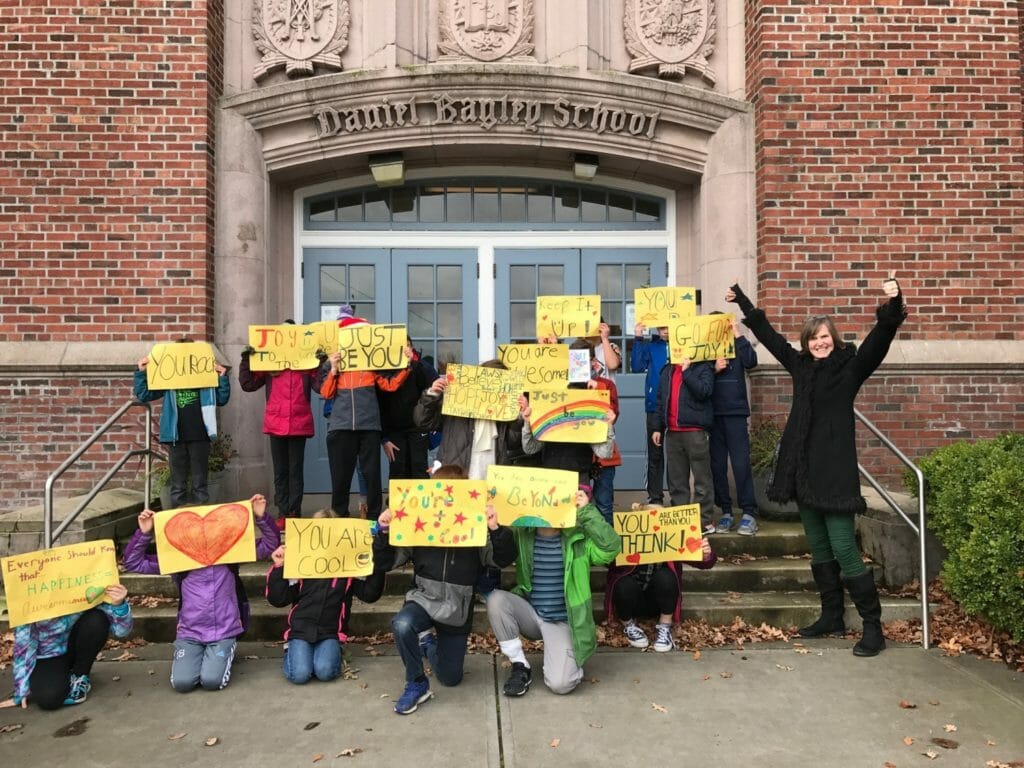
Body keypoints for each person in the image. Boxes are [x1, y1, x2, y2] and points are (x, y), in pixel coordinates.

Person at [725, 276, 906, 657]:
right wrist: (743, 302)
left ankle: (873, 628)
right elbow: (772, 338)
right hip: (802, 471)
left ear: (834, 339)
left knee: (843, 546)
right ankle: (832, 616)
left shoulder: (850, 367)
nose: (820, 342)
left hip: (834, 473)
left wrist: (892, 306)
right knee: (820, 547)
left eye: (825, 336)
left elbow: (879, 340)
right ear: (807, 343)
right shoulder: (800, 366)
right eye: (813, 338)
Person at [374, 465, 516, 714]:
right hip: (423, 598)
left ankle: (427, 643)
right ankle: (416, 683)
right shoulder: (418, 524)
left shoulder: (476, 528)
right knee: (402, 624)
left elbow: (502, 559)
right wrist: (384, 532)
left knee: (451, 678)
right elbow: (386, 563)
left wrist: (495, 528)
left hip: (456, 610)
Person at [123, 494, 281, 690]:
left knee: (212, 681)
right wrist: (144, 532)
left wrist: (260, 516)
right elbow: (134, 562)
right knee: (182, 683)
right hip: (190, 632)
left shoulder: (228, 554)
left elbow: (269, 544)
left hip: (224, 629)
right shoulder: (178, 561)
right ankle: (202, 656)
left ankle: (218, 654)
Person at [487, 485, 621, 697]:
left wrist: (586, 512)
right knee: (496, 599)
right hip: (531, 614)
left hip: (562, 621)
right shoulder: (523, 534)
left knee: (561, 685)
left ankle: (566, 660)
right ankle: (520, 666)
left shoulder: (578, 539)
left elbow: (611, 548)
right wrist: (495, 528)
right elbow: (503, 557)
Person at [264, 509, 387, 684]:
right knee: (299, 675)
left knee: (325, 671)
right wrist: (279, 567)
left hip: (330, 632)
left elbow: (370, 594)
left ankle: (334, 651)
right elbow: (278, 599)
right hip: (300, 630)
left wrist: (375, 565)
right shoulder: (300, 561)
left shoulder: (348, 566)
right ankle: (293, 650)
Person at [317, 304, 414, 518]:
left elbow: (390, 385)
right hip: (341, 427)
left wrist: (406, 366)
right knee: (340, 478)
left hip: (369, 427)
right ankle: (339, 517)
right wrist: (333, 370)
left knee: (371, 476)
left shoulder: (372, 365)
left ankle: (373, 519)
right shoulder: (334, 364)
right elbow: (325, 393)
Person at [2, 585, 133, 710]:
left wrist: (119, 604)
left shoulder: (91, 583)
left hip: (78, 644)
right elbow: (24, 641)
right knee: (49, 699)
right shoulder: (33, 590)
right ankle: (63, 676)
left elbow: (122, 631)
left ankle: (80, 675)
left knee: (97, 620)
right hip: (49, 653)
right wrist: (21, 688)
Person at [134, 341, 231, 508]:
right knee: (178, 484)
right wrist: (141, 373)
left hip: (200, 436)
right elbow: (144, 395)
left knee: (200, 484)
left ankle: (201, 522)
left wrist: (222, 378)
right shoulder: (168, 380)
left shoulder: (205, 380)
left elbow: (221, 399)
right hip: (175, 436)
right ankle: (177, 522)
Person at [239, 323, 317, 530]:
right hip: (276, 424)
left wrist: (322, 362)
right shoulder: (269, 365)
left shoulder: (307, 364)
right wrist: (246, 359)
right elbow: (248, 385)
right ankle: (283, 512)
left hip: (299, 423)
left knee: (295, 470)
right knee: (281, 471)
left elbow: (320, 387)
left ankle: (294, 512)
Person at [605, 531, 716, 652]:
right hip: (632, 600)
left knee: (666, 576)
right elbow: (603, 560)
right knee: (622, 583)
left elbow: (704, 563)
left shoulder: (672, 535)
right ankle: (628, 624)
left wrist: (706, 554)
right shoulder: (625, 532)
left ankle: (665, 625)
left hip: (660, 602)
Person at [651, 354, 717, 534]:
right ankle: (680, 521)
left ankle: (704, 522)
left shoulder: (703, 367)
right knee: (676, 481)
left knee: (702, 479)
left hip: (695, 431)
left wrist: (687, 372)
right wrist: (657, 427)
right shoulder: (667, 370)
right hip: (672, 432)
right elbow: (660, 400)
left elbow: (704, 391)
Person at [710, 314, 760, 535]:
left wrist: (737, 332)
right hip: (711, 415)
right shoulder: (704, 350)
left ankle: (749, 513)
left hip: (735, 413)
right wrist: (714, 369)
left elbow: (752, 361)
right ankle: (726, 512)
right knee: (717, 466)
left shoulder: (736, 345)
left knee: (740, 464)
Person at [378, 340, 438, 481]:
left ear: (412, 348)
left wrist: (413, 363)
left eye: (406, 346)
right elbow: (379, 405)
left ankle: (422, 501)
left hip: (418, 427)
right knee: (398, 467)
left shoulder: (422, 367)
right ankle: (397, 501)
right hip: (394, 429)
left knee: (419, 466)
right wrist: (384, 438)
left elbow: (435, 389)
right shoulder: (385, 371)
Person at [631, 323, 670, 505]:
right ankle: (655, 497)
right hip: (655, 406)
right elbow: (637, 366)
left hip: (680, 406)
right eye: (662, 327)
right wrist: (638, 336)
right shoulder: (652, 347)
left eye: (669, 326)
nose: (666, 331)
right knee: (655, 453)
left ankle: (679, 498)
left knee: (679, 454)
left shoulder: (687, 344)